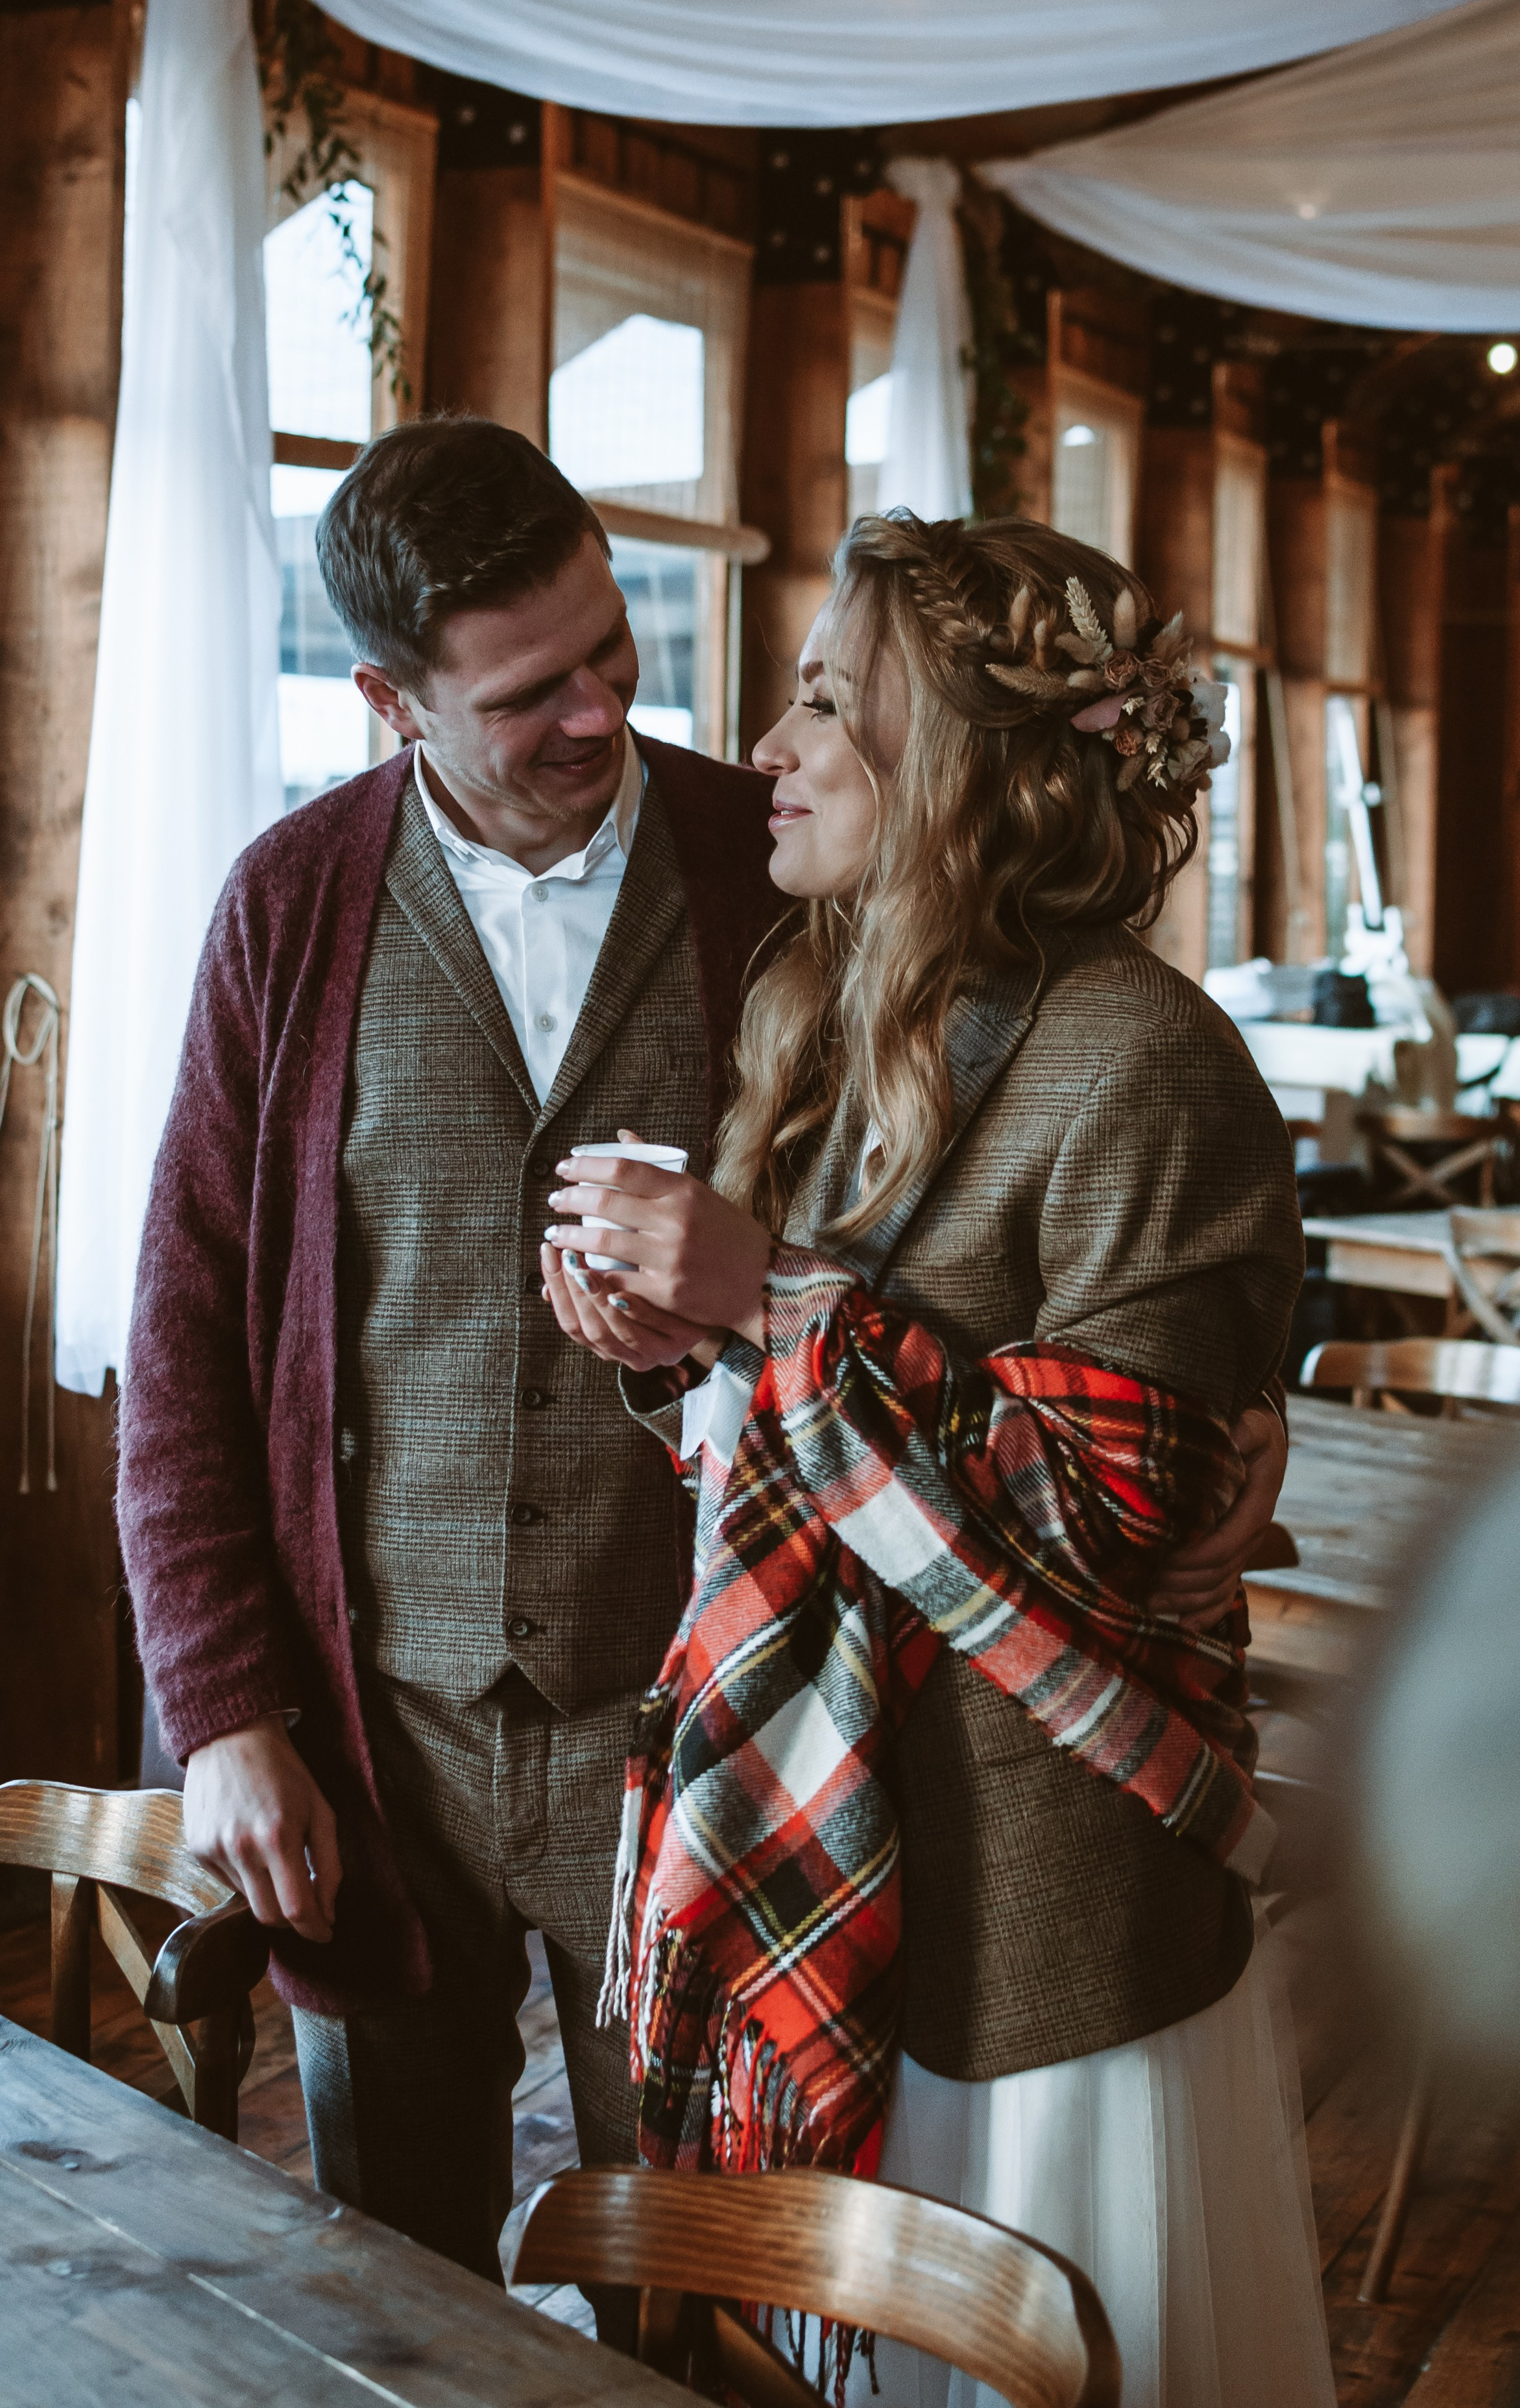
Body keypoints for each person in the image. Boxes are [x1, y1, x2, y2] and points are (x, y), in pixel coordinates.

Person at [117, 428, 1285, 2314]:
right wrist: (230, 1704)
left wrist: (1229, 1405)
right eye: (526, 693)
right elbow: (180, 1339)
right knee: (379, 2279)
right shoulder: (287, 906)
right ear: (388, 702)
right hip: (375, 1732)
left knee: (713, 2288)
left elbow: (988, 1205)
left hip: (720, 1734)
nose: (600, 713)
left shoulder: (793, 889)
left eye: (611, 652)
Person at [541, 512, 1333, 2405]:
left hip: (1047, 1912)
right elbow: (793, 1441)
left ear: (961, 763)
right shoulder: (815, 1020)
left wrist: (768, 1291)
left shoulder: (1149, 1060)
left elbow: (1116, 1506)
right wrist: (675, 1344)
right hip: (820, 1843)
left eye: (825, 701)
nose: (768, 748)